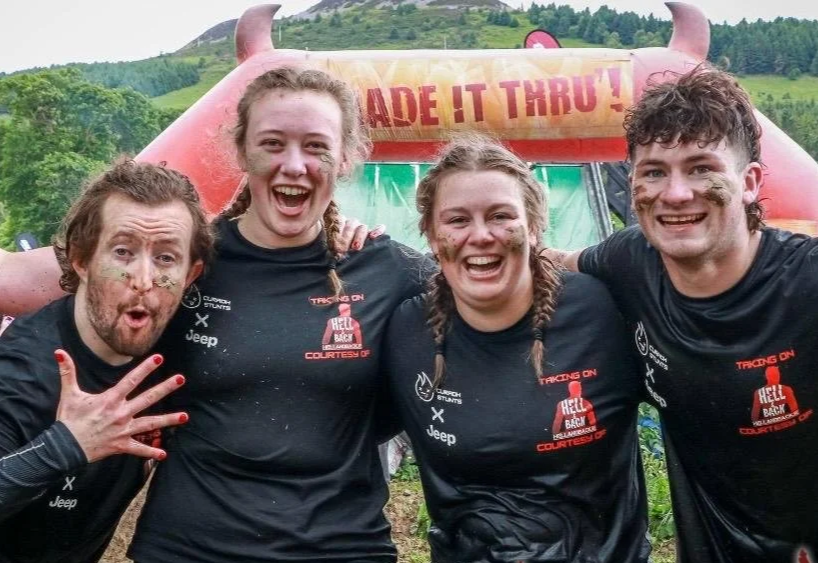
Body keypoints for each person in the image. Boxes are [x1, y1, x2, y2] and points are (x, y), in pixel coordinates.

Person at [127, 67, 435, 563]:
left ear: (345, 158)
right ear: (242, 150)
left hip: (342, 547)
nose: (294, 165)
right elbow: (82, 284)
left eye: (316, 146)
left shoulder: (386, 268)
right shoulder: (185, 261)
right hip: (191, 547)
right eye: (273, 143)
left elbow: (501, 291)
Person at [543, 64, 817, 562]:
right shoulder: (628, 261)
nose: (674, 194)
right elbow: (547, 261)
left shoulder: (806, 281)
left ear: (750, 181)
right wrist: (361, 243)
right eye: (653, 172)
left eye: (701, 168)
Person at [383, 135, 650, 562]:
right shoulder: (404, 330)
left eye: (501, 215)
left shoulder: (604, 310)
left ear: (535, 226)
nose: (481, 235)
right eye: (457, 220)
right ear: (432, 236)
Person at [0, 159, 212, 562]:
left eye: (166, 258)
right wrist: (65, 446)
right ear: (81, 260)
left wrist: (342, 237)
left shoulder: (178, 341)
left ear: (191, 275)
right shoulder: (22, 371)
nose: (144, 280)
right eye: (123, 252)